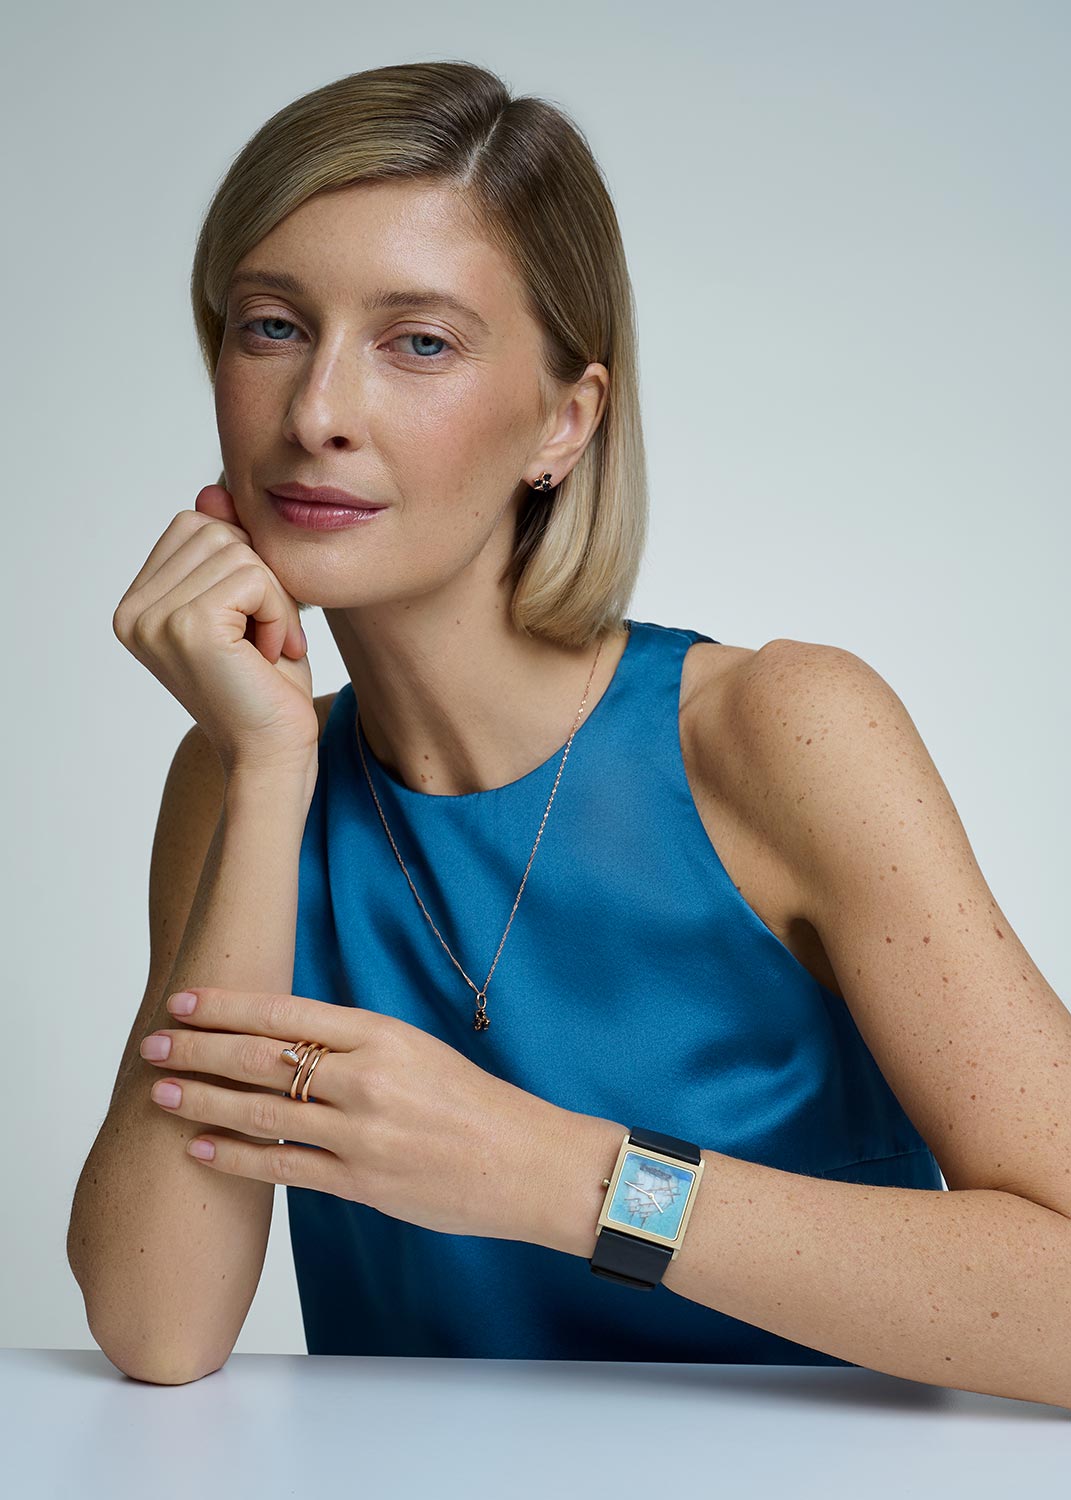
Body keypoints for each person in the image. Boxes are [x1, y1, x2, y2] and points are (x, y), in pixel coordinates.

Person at [70, 61, 1065, 1391]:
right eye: (272, 327)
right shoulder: (250, 777)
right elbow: (159, 1331)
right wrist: (261, 766)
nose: (316, 414)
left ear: (563, 420)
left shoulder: (780, 733)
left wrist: (555, 1177)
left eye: (420, 343)